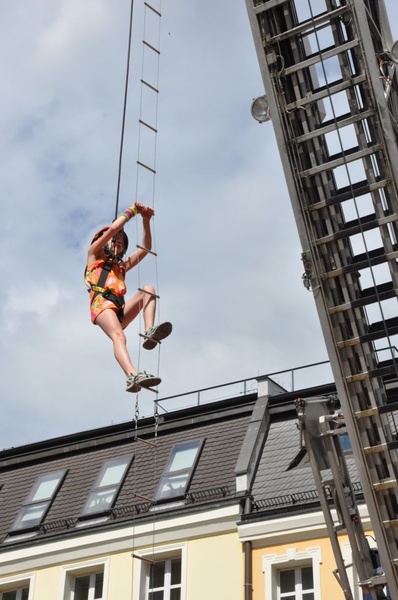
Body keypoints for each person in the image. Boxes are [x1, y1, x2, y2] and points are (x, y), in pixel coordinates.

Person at [85, 201, 172, 393]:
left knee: (148, 289)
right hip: (101, 306)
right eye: (113, 240)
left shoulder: (121, 268)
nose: (117, 243)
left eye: (120, 242)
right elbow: (115, 227)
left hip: (118, 309)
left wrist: (146, 221)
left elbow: (146, 249)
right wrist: (132, 211)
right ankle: (131, 375)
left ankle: (150, 330)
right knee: (119, 336)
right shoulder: (93, 257)